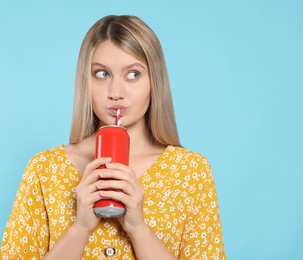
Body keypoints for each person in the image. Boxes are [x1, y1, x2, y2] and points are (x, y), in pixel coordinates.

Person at [1, 15, 226, 259]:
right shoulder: (44, 170)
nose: (115, 93)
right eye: (102, 74)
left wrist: (138, 229)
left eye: (133, 74)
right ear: (86, 81)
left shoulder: (190, 172)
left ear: (155, 81)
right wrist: (81, 228)